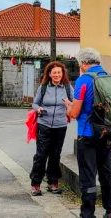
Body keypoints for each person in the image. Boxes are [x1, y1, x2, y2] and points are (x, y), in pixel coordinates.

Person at [64, 48, 111, 218]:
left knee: (88, 175)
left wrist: (68, 107)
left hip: (88, 133)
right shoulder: (109, 77)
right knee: (107, 171)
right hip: (108, 132)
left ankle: (88, 213)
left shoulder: (84, 80)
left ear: (83, 63)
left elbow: (75, 113)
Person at [28, 61, 73, 196]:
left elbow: (75, 102)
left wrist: (69, 104)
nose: (57, 75)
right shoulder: (43, 87)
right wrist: (39, 108)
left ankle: (53, 182)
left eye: (59, 72)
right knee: (41, 155)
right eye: (54, 73)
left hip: (60, 126)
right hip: (44, 124)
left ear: (62, 74)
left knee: (55, 155)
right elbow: (34, 104)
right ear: (49, 74)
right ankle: (35, 184)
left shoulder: (67, 87)